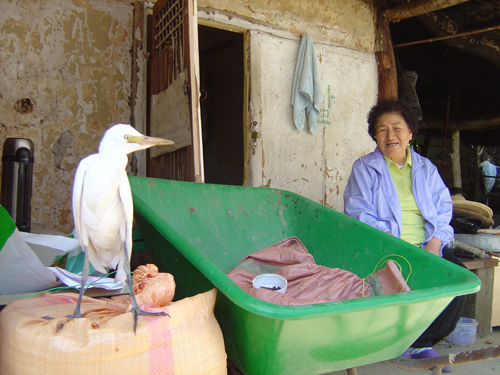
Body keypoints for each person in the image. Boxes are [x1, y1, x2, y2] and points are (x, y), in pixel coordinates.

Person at [343, 99, 465, 372]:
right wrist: (393, 242)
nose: (390, 135)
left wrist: (435, 243)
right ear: (375, 136)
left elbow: (444, 210)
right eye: (382, 129)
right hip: (387, 246)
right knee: (400, 279)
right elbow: (358, 212)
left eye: (397, 127)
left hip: (426, 246)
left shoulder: (426, 169)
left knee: (459, 279)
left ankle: (420, 342)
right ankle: (408, 343)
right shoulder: (365, 168)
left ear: (410, 133)